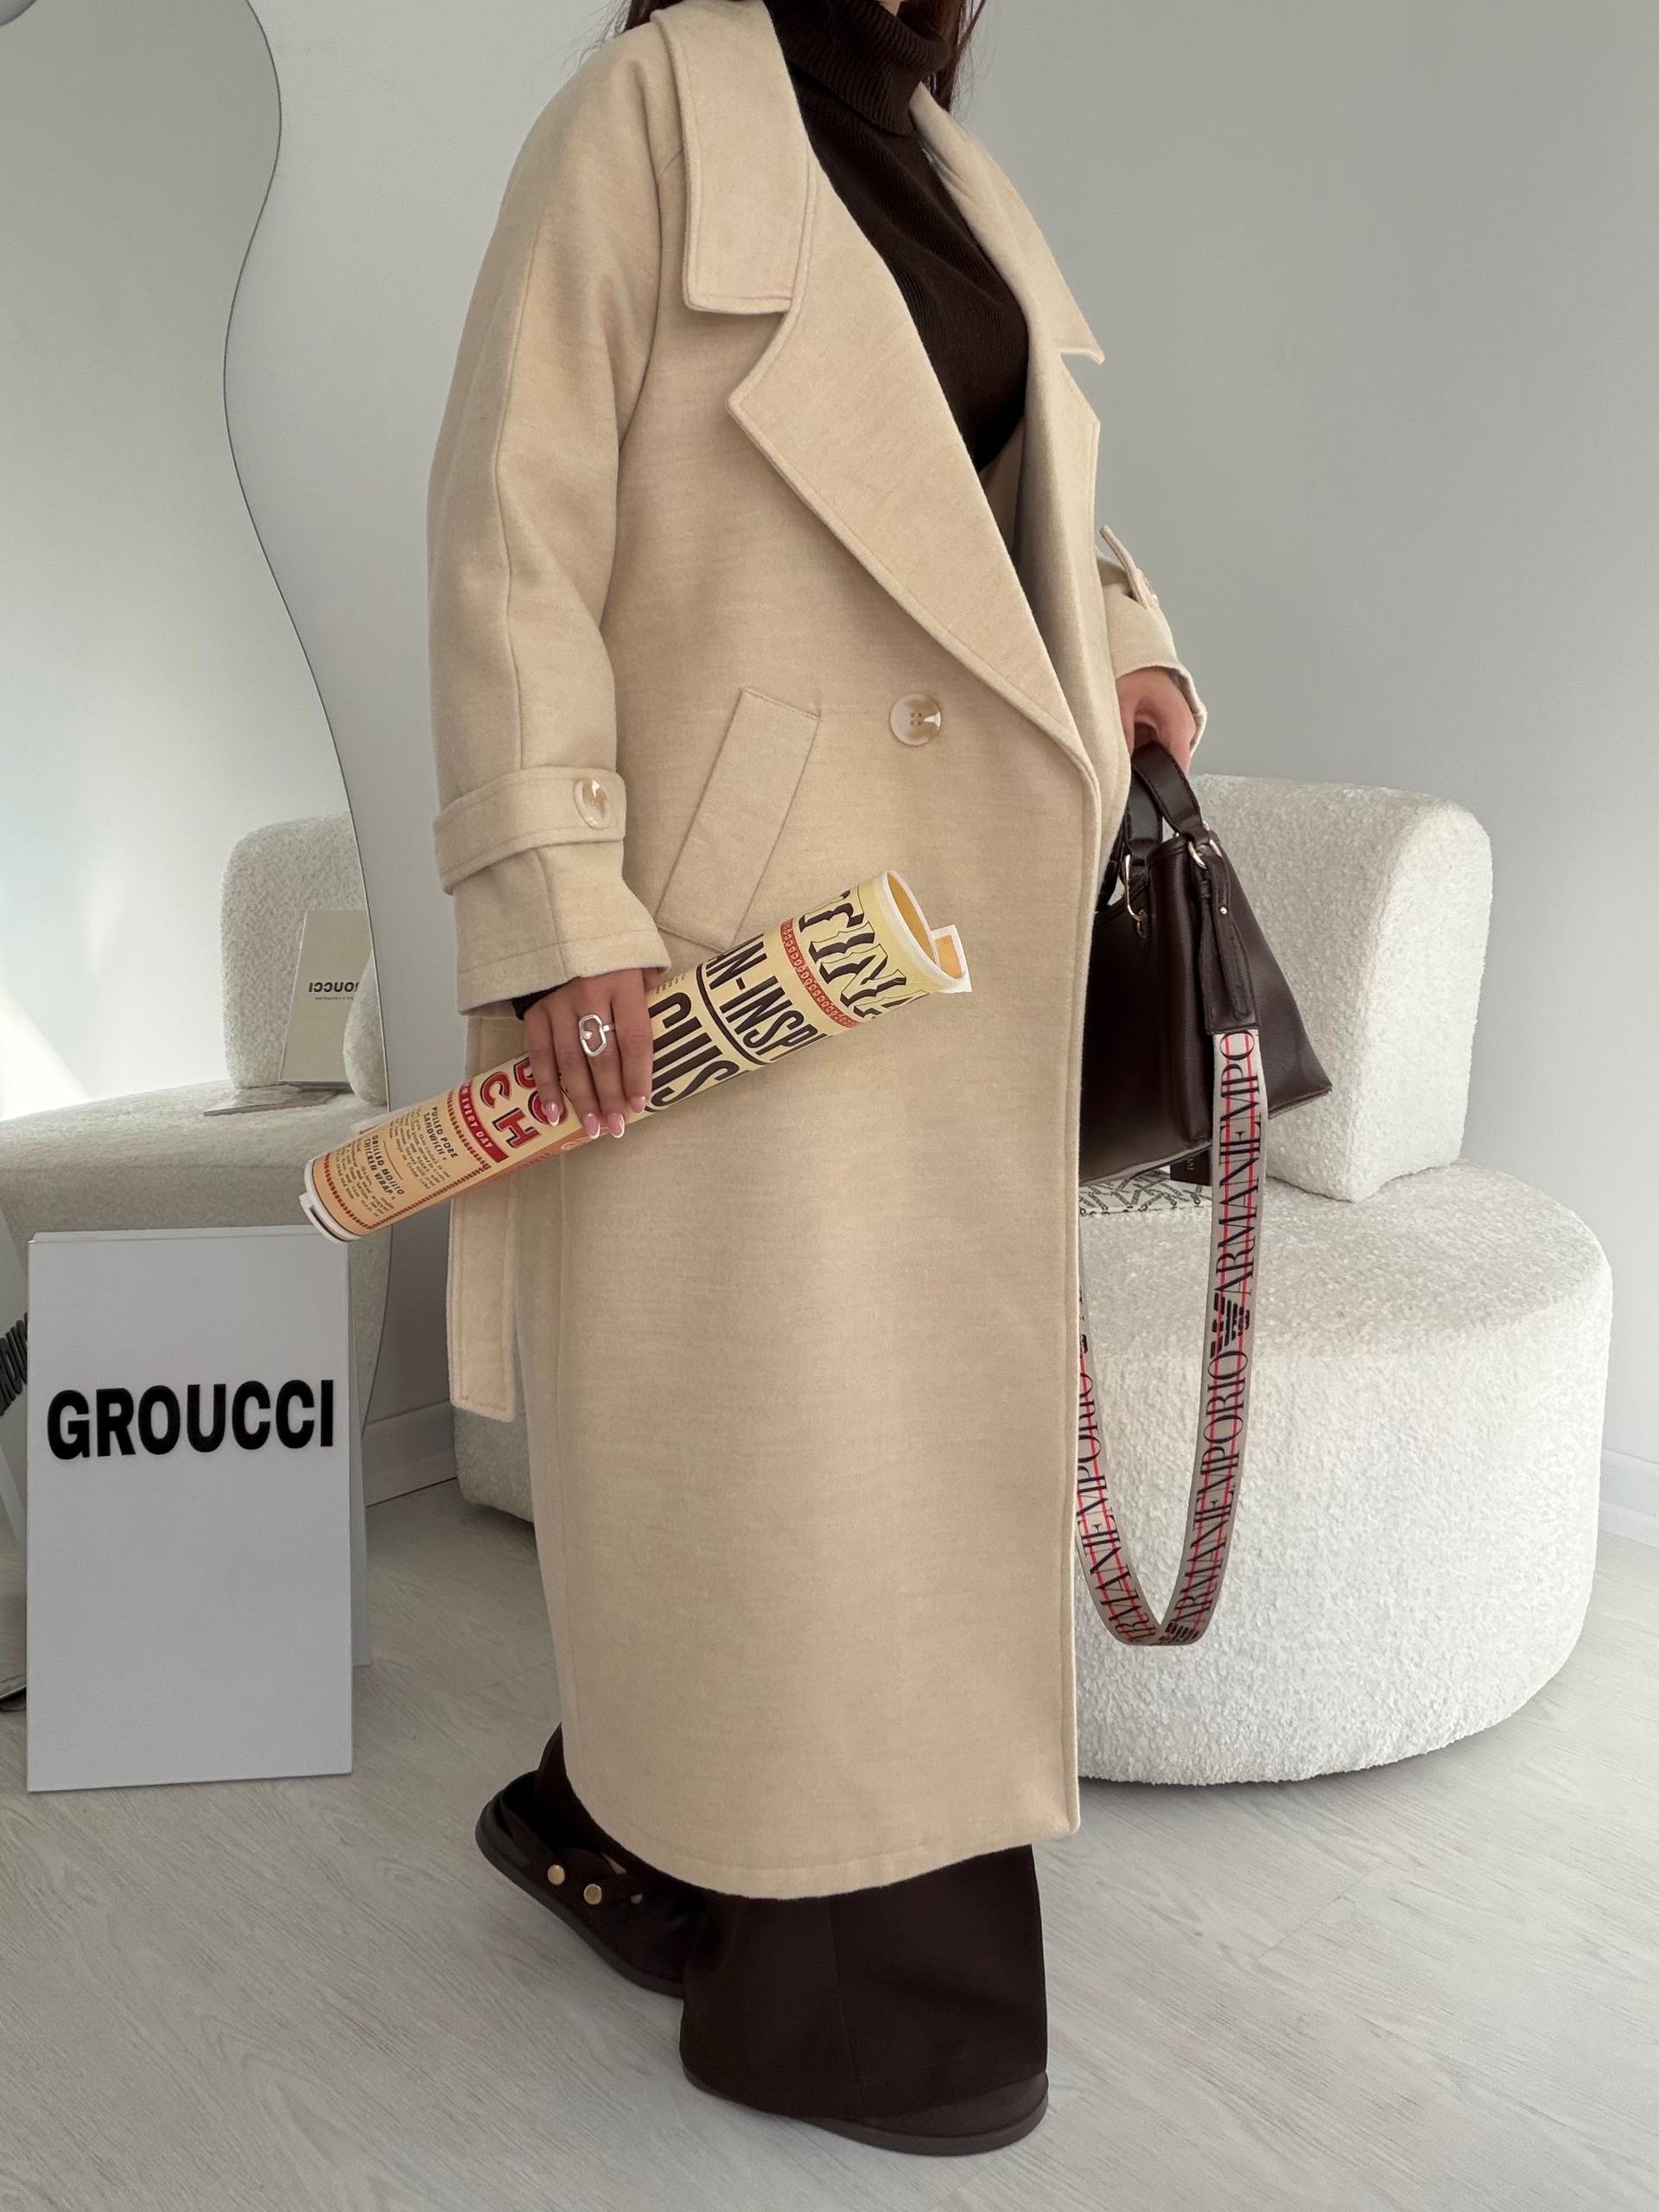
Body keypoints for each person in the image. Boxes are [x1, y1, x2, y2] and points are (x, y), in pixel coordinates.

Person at [427, 0, 1205, 2158]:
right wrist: (556, 900)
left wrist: (1135, 634)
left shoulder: (936, 155)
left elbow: (1013, 492)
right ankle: (832, 1981)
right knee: (780, 1457)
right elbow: (510, 520)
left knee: (867, 1450)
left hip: (955, 923)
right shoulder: (649, 111)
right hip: (743, 928)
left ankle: (622, 1828)